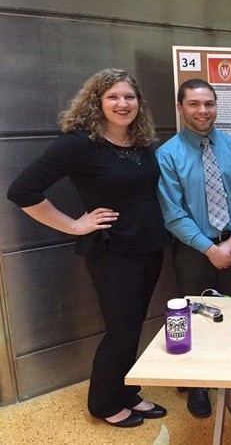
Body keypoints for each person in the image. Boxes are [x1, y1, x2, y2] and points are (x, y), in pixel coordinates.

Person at [7, 69, 171, 428]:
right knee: (121, 330)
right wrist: (74, 225)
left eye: (129, 97)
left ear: (139, 103)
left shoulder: (141, 141)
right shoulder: (79, 143)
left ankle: (126, 391)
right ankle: (103, 402)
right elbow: (22, 191)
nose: (123, 104)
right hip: (113, 253)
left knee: (132, 325)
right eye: (113, 96)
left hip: (148, 246)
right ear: (97, 101)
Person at [156, 78, 231, 418]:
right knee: (193, 316)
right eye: (194, 104)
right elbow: (173, 214)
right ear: (180, 107)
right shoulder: (167, 155)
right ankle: (197, 384)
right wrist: (209, 249)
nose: (203, 111)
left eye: (209, 104)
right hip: (193, 249)